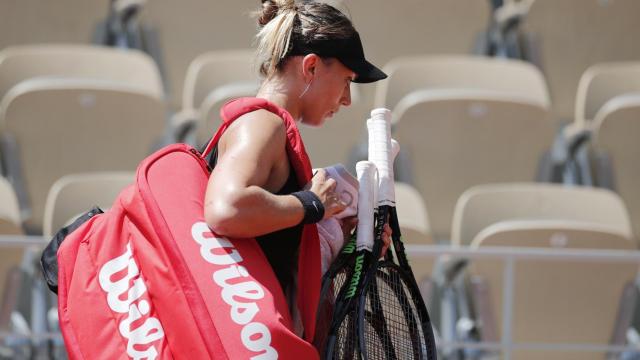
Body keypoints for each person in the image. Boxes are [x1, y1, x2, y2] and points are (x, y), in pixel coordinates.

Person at [203, 0, 389, 343]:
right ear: (312, 67)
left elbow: (270, 248)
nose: (347, 99)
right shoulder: (262, 124)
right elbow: (225, 209)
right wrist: (311, 204)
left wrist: (351, 241)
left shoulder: (270, 127)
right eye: (347, 80)